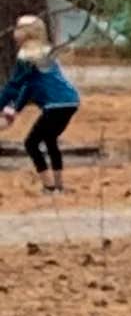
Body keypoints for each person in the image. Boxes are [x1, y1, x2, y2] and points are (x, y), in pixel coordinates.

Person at [1, 12, 77, 188]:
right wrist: (15, 110)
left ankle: (49, 187)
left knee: (31, 143)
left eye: (18, 28)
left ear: (26, 33)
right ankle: (58, 185)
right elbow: (30, 87)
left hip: (55, 104)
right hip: (70, 101)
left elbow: (14, 84)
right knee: (49, 140)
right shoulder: (45, 52)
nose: (14, 32)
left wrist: (3, 105)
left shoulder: (26, 55)